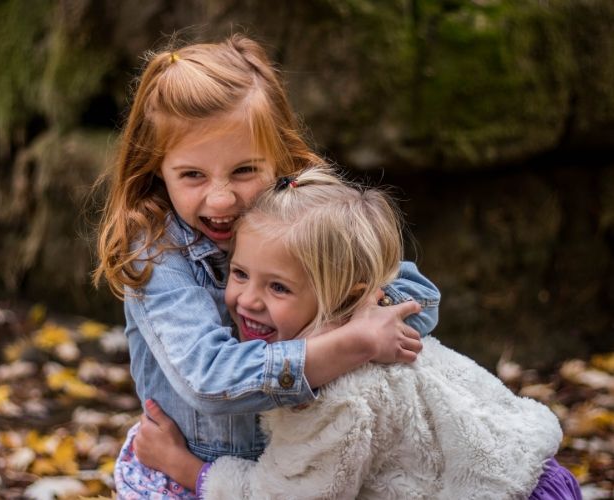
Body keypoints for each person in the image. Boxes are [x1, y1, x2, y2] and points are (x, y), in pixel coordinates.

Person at [94, 35, 440, 498]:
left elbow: (419, 299)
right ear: (157, 168)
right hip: (189, 473)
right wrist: (346, 344)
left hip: (299, 468)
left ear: (279, 157)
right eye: (192, 175)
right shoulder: (158, 253)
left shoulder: (303, 220)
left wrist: (351, 322)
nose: (221, 199)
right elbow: (210, 379)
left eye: (243, 171)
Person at [134, 168, 581, 499]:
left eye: (278, 287)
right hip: (530, 470)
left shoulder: (332, 395)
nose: (248, 300)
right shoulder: (378, 326)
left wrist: (186, 467)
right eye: (239, 273)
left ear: (348, 295)